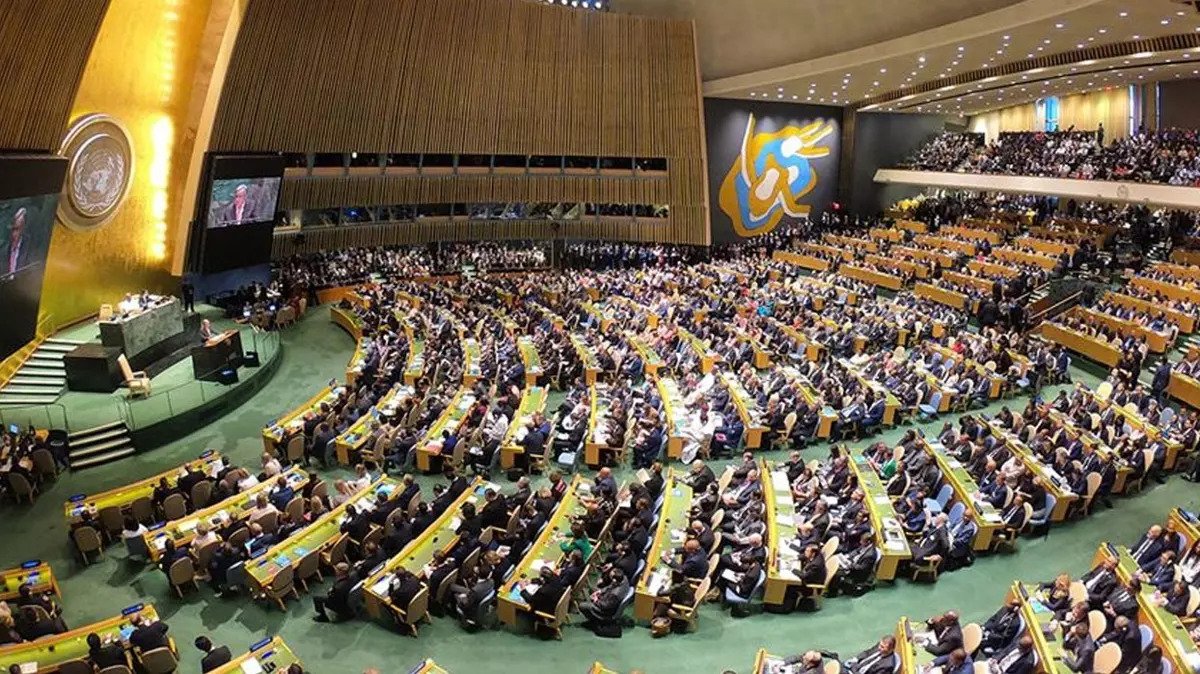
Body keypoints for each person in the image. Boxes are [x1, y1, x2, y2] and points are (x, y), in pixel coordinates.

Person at [3, 207, 26, 276]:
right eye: (12, 229)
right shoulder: (4, 251)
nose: (13, 234)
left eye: (16, 229)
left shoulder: (29, 248)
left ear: (22, 229)